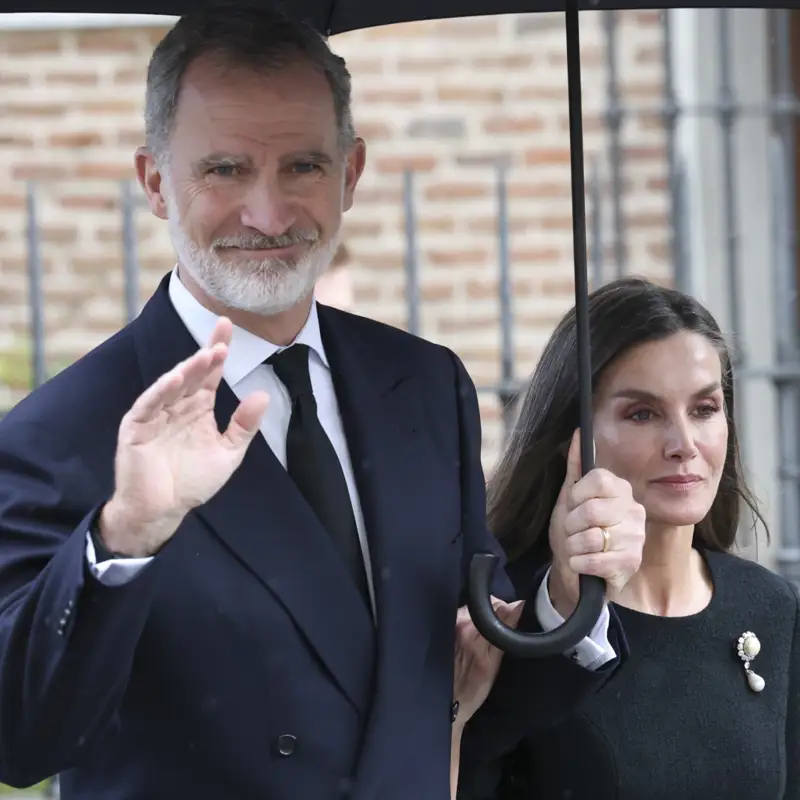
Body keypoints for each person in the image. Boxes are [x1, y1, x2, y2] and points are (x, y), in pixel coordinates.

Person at [0, 8, 647, 800]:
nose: (268, 214)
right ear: (155, 182)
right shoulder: (60, 433)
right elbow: (20, 736)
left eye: (302, 166)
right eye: (226, 170)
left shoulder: (424, 386)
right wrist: (126, 533)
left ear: (351, 172)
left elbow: (467, 698)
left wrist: (563, 600)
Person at [453, 277, 800, 799]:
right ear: (573, 438)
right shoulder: (506, 621)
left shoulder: (770, 606)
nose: (684, 444)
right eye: (643, 413)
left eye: (704, 410)